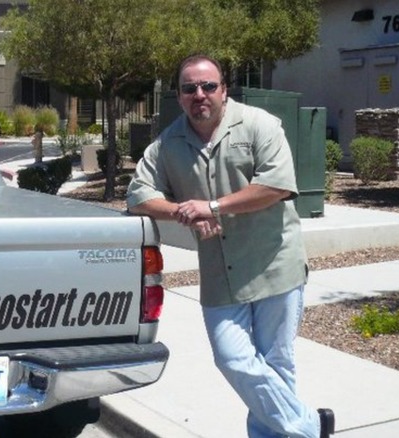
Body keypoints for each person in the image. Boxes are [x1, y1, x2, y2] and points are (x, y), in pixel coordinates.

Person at [126, 54, 335, 438]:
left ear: (224, 90)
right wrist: (183, 212)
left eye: (208, 86)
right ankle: (310, 427)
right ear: (179, 95)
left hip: (274, 264)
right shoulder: (168, 142)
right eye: (189, 88)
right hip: (220, 272)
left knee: (276, 363)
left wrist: (213, 206)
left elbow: (277, 185)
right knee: (232, 358)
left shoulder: (259, 125)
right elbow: (138, 195)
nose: (199, 95)